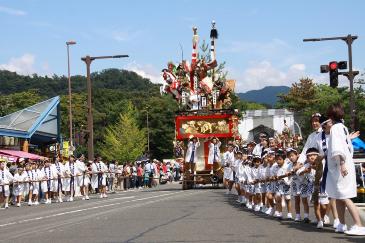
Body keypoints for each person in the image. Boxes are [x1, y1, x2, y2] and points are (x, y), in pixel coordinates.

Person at [326, 103, 365, 235]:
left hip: (340, 166)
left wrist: (342, 164)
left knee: (344, 196)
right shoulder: (342, 127)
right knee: (338, 196)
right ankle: (342, 224)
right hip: (342, 165)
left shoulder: (336, 128)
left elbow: (338, 148)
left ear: (331, 116)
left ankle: (359, 225)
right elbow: (343, 144)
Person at [286, 148, 303, 222]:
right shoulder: (289, 165)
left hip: (303, 183)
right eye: (289, 156)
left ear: (297, 155)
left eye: (292, 155)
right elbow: (288, 173)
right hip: (295, 184)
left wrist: (294, 170)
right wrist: (289, 172)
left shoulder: (301, 162)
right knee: (297, 200)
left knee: (305, 201)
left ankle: (306, 215)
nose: (291, 157)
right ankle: (298, 215)